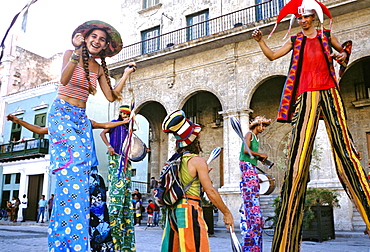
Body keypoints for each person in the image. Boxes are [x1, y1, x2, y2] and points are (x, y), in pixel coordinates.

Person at [252, 0, 370, 250]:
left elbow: (345, 53)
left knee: (346, 154)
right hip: (306, 97)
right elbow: (273, 56)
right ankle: (286, 243)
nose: (303, 20)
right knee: (297, 161)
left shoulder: (327, 35)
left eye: (306, 17)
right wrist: (261, 40)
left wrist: (342, 56)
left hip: (330, 93)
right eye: (300, 18)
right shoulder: (295, 41)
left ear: (314, 18)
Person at [45, 20, 136, 251]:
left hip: (81, 120)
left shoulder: (97, 68)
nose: (97, 41)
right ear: (85, 38)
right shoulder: (70, 54)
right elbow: (64, 80)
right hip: (62, 114)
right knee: (73, 168)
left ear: (105, 46)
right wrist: (76, 53)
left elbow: (111, 95)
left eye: (102, 39)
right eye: (93, 36)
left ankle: (82, 236)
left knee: (86, 175)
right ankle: (67, 238)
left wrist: (124, 74)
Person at [161, 110, 234, 252]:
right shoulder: (197, 161)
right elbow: (211, 191)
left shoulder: (174, 160)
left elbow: (182, 185)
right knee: (195, 247)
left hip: (173, 212)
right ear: (194, 139)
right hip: (189, 210)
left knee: (175, 248)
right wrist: (226, 213)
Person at [100, 104, 135, 250]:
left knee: (126, 195)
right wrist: (109, 146)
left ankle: (125, 243)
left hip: (126, 159)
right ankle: (114, 238)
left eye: (127, 115)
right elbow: (102, 133)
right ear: (121, 115)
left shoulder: (129, 129)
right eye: (124, 115)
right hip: (116, 159)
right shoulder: (114, 123)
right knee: (117, 189)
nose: (125, 117)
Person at [239, 116, 271, 251]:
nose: (263, 129)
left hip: (251, 167)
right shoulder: (249, 134)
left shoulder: (257, 138)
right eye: (262, 126)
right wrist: (260, 154)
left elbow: (252, 154)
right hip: (246, 165)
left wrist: (259, 158)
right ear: (256, 125)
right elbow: (246, 150)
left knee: (255, 190)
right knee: (250, 193)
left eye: (264, 126)